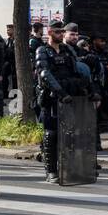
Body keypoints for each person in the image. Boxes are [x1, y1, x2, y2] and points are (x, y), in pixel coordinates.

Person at [35, 20, 83, 184]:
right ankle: (51, 171)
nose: (61, 34)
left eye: (62, 32)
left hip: (68, 98)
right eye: (57, 32)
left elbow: (77, 70)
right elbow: (45, 74)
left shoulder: (67, 49)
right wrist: (60, 93)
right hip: (51, 98)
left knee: (71, 133)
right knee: (51, 134)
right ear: (49, 33)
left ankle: (70, 166)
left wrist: (88, 91)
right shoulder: (43, 50)